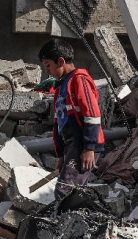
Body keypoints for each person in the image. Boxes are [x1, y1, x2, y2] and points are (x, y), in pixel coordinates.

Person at [38, 39, 105, 200]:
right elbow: (59, 124)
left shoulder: (78, 80)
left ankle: (64, 222)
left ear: (60, 61)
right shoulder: (62, 86)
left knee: (65, 190)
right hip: (72, 145)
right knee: (73, 191)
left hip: (83, 144)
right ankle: (77, 220)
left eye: (48, 65)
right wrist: (61, 155)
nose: (48, 71)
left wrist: (89, 148)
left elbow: (92, 114)